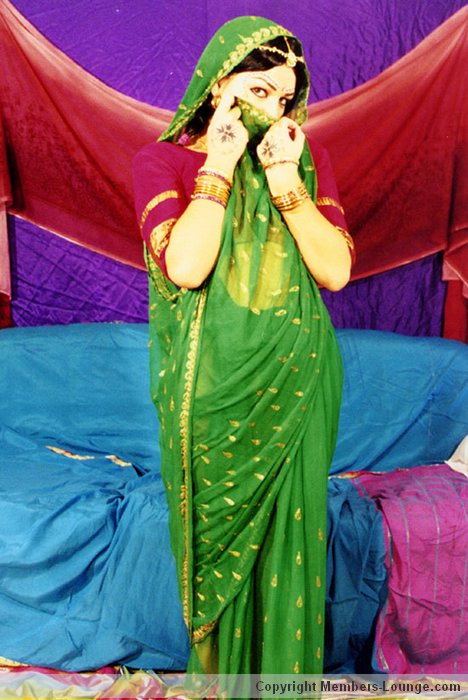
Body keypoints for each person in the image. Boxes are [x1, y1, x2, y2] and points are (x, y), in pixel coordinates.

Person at [132, 16, 354, 677]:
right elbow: (186, 267)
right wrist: (222, 163)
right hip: (211, 391)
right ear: (218, 84)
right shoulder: (163, 161)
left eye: (284, 99)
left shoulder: (303, 160)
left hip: (298, 380)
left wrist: (285, 179)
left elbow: (335, 272)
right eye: (258, 91)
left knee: (293, 548)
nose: (273, 110)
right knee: (215, 553)